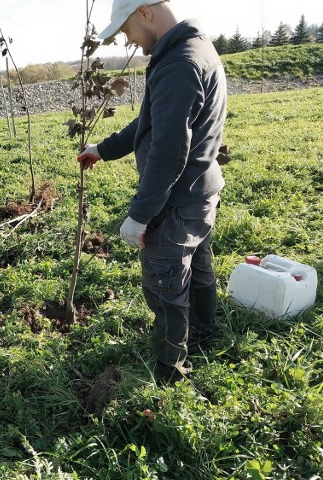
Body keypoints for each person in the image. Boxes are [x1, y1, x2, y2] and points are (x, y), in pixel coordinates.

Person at [77, 0, 227, 383]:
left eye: (125, 28)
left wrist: (140, 214)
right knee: (198, 271)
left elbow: (169, 149)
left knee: (166, 288)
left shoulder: (179, 64)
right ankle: (206, 335)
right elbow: (150, 121)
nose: (127, 39)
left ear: (145, 12)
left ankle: (170, 373)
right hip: (200, 191)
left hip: (175, 202)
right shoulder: (191, 49)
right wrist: (103, 149)